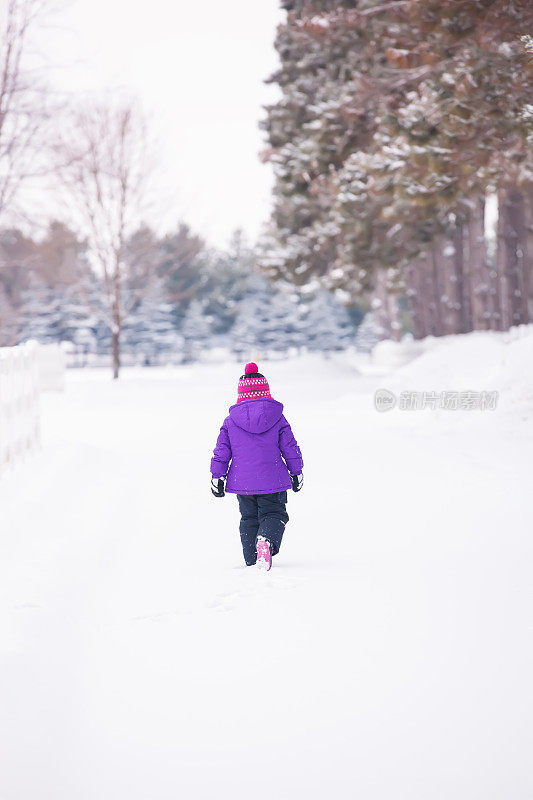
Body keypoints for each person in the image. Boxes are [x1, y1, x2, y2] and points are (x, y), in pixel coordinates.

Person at [210, 362, 303, 570]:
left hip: (242, 482)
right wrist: (296, 472)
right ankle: (266, 541)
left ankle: (252, 561)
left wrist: (218, 476)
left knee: (249, 518)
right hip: (273, 480)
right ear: (266, 391)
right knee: (274, 513)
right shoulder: (277, 417)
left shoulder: (230, 421)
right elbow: (290, 447)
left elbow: (221, 451)